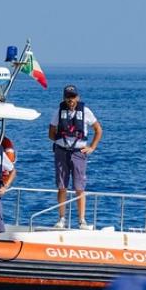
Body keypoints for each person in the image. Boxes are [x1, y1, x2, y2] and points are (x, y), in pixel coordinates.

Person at [47, 84, 102, 229]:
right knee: (62, 186)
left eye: (73, 97)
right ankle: (61, 218)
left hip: (79, 153)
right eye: (68, 97)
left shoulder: (86, 112)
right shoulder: (59, 111)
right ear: (64, 98)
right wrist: (60, 141)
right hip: (61, 152)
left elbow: (98, 129)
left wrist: (92, 147)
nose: (70, 100)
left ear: (77, 97)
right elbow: (51, 132)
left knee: (79, 187)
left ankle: (82, 220)